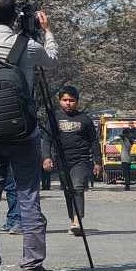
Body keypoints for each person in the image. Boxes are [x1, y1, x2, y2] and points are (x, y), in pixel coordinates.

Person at [0, 0, 59, 271]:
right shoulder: (29, 45)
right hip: (25, 133)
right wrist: (47, 31)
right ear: (14, 17)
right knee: (28, 195)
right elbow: (52, 60)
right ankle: (32, 263)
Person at [43, 85, 99, 234]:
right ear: (60, 101)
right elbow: (47, 139)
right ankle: (72, 218)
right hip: (62, 161)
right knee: (68, 190)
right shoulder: (54, 118)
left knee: (77, 187)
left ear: (77, 102)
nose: (68, 103)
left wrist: (97, 162)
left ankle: (77, 220)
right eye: (65, 100)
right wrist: (46, 157)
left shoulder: (84, 119)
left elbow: (94, 141)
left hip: (80, 160)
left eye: (72, 100)